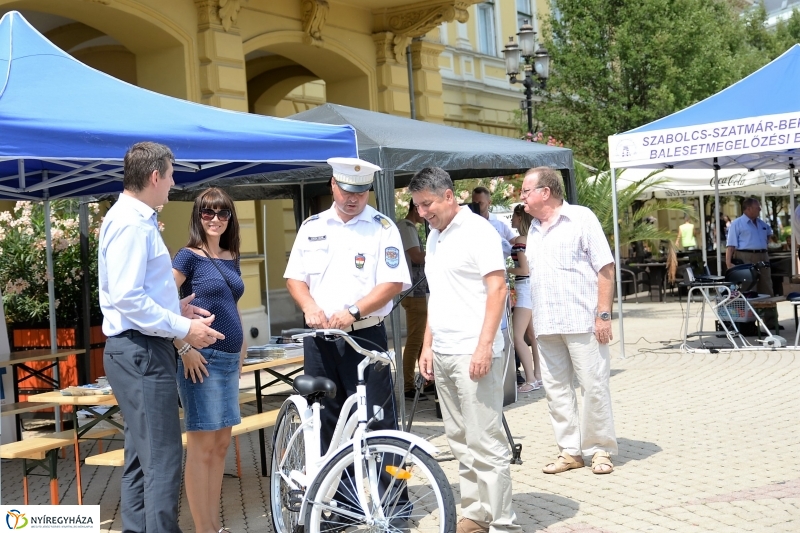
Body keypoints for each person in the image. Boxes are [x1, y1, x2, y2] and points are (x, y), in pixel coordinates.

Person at [99, 142, 224, 533]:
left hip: (140, 347)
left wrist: (176, 310)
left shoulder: (136, 219)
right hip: (140, 351)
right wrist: (184, 327)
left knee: (143, 459)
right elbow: (126, 297)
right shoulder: (132, 223)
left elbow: (137, 294)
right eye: (170, 176)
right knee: (163, 461)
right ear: (155, 177)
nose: (173, 184)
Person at [284, 157, 411, 524]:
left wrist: (353, 311)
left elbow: (391, 283)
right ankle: (337, 506)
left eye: (361, 191)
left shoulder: (381, 227)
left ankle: (393, 507)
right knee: (326, 421)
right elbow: (295, 278)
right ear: (333, 186)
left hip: (364, 335)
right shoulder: (312, 227)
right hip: (321, 338)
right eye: (347, 190)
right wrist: (308, 306)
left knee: (379, 420)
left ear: (368, 191)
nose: (354, 198)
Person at [410, 167, 522, 533]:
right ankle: (476, 513)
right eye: (418, 206)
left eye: (427, 204)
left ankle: (504, 522)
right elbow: (437, 296)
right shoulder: (434, 237)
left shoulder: (477, 231)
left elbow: (498, 290)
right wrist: (427, 346)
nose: (423, 212)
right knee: (459, 439)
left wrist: (484, 347)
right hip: (444, 350)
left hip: (474, 352)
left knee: (485, 439)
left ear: (448, 196)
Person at [520, 166, 617, 476]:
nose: (521, 196)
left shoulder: (581, 218)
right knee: (556, 390)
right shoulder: (533, 228)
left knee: (594, 386)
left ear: (544, 192)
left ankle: (599, 449)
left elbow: (605, 267)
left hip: (583, 320)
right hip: (548, 323)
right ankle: (570, 451)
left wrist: (603, 314)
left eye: (526, 190)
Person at [172, 188, 246, 533]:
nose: (215, 219)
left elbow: (232, 304)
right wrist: (183, 345)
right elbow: (160, 304)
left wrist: (242, 349)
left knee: (219, 447)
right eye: (207, 212)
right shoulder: (188, 256)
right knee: (201, 447)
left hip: (230, 361)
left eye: (222, 213)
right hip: (202, 360)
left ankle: (214, 525)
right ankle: (203, 528)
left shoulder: (231, 254)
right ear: (197, 216)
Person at [397, 198, 429, 400]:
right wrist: (436, 250)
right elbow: (416, 257)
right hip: (413, 291)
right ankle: (408, 385)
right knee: (416, 340)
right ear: (416, 209)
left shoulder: (407, 226)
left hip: (413, 290)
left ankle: (424, 380)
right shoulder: (406, 227)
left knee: (418, 339)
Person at [508, 204, 542, 393]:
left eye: (513, 216)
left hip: (524, 288)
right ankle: (538, 375)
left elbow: (523, 269)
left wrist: (506, 270)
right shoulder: (533, 239)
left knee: (517, 336)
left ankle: (530, 378)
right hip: (531, 288)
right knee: (532, 335)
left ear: (520, 218)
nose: (511, 220)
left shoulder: (521, 241)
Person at [726, 198, 773, 296]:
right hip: (745, 255)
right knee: (749, 285)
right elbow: (730, 245)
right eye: (757, 208)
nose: (760, 209)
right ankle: (750, 309)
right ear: (749, 208)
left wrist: (764, 244)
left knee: (766, 283)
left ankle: (767, 308)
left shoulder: (761, 223)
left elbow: (769, 233)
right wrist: (728, 263)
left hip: (763, 255)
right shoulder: (737, 223)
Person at [472, 186, 514, 257]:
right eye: (474, 203)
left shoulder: (499, 223)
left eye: (480, 203)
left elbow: (514, 241)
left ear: (489, 203)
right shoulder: (468, 222)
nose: (476, 206)